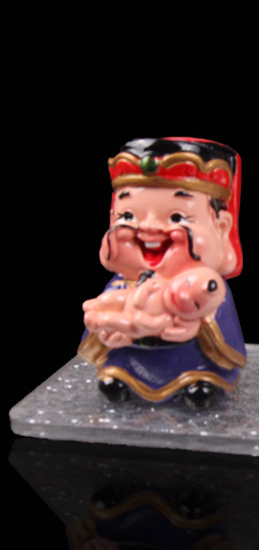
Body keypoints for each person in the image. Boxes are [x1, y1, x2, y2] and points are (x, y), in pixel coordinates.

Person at [79, 137, 246, 408]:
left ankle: (202, 379)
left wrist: (193, 321)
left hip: (190, 359)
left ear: (221, 227)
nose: (148, 229)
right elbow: (102, 315)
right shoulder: (123, 283)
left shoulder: (205, 285)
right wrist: (105, 329)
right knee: (116, 372)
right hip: (129, 354)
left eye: (177, 217)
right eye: (128, 216)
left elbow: (219, 329)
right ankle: (121, 375)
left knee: (201, 381)